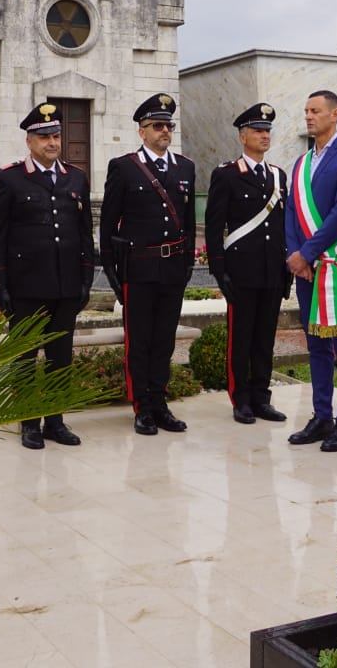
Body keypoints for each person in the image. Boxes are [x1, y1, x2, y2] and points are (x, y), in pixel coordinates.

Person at [0, 103, 95, 449]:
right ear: (30, 141)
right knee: (26, 357)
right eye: (44, 136)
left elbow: (84, 232)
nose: (52, 142)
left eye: (56, 135)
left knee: (60, 357)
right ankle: (29, 422)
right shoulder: (10, 177)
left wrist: (85, 279)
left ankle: (55, 421)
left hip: (65, 284)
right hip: (26, 286)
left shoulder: (75, 177)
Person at [99, 93, 196, 435]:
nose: (164, 130)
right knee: (139, 340)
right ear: (142, 131)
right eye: (157, 125)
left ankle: (160, 401)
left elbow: (186, 223)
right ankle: (141, 406)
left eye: (168, 125)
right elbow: (108, 226)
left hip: (171, 271)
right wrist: (113, 273)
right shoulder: (124, 167)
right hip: (138, 270)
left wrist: (186, 265)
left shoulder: (185, 167)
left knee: (164, 340)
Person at [285, 90, 337, 454]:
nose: (308, 116)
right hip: (306, 269)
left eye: (315, 111)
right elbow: (290, 211)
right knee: (314, 342)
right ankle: (322, 416)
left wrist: (309, 252)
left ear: (335, 114)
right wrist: (294, 254)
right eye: (306, 111)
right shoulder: (301, 163)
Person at [204, 103, 291, 425]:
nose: (264, 136)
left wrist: (285, 272)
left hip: (271, 271)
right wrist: (218, 269)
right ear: (243, 137)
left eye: (267, 131)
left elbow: (283, 226)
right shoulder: (227, 174)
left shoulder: (278, 175)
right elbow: (214, 227)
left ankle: (261, 397)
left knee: (265, 337)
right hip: (241, 271)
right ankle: (240, 399)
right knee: (240, 339)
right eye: (258, 131)